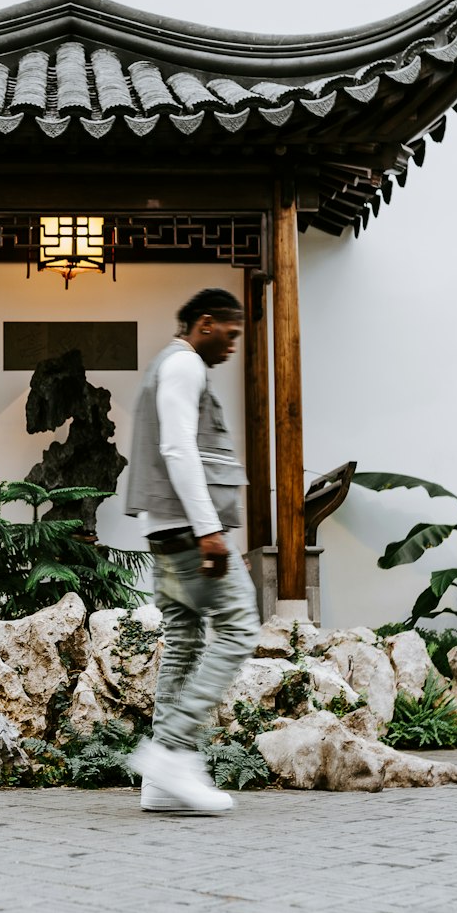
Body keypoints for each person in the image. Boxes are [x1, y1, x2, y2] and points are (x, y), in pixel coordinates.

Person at [125, 288, 261, 814]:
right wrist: (210, 531)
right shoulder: (184, 367)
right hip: (188, 530)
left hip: (168, 528)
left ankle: (161, 786)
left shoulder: (167, 365)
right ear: (205, 324)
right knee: (240, 626)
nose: (232, 345)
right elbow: (178, 448)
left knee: (184, 639)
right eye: (229, 334)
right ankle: (172, 752)